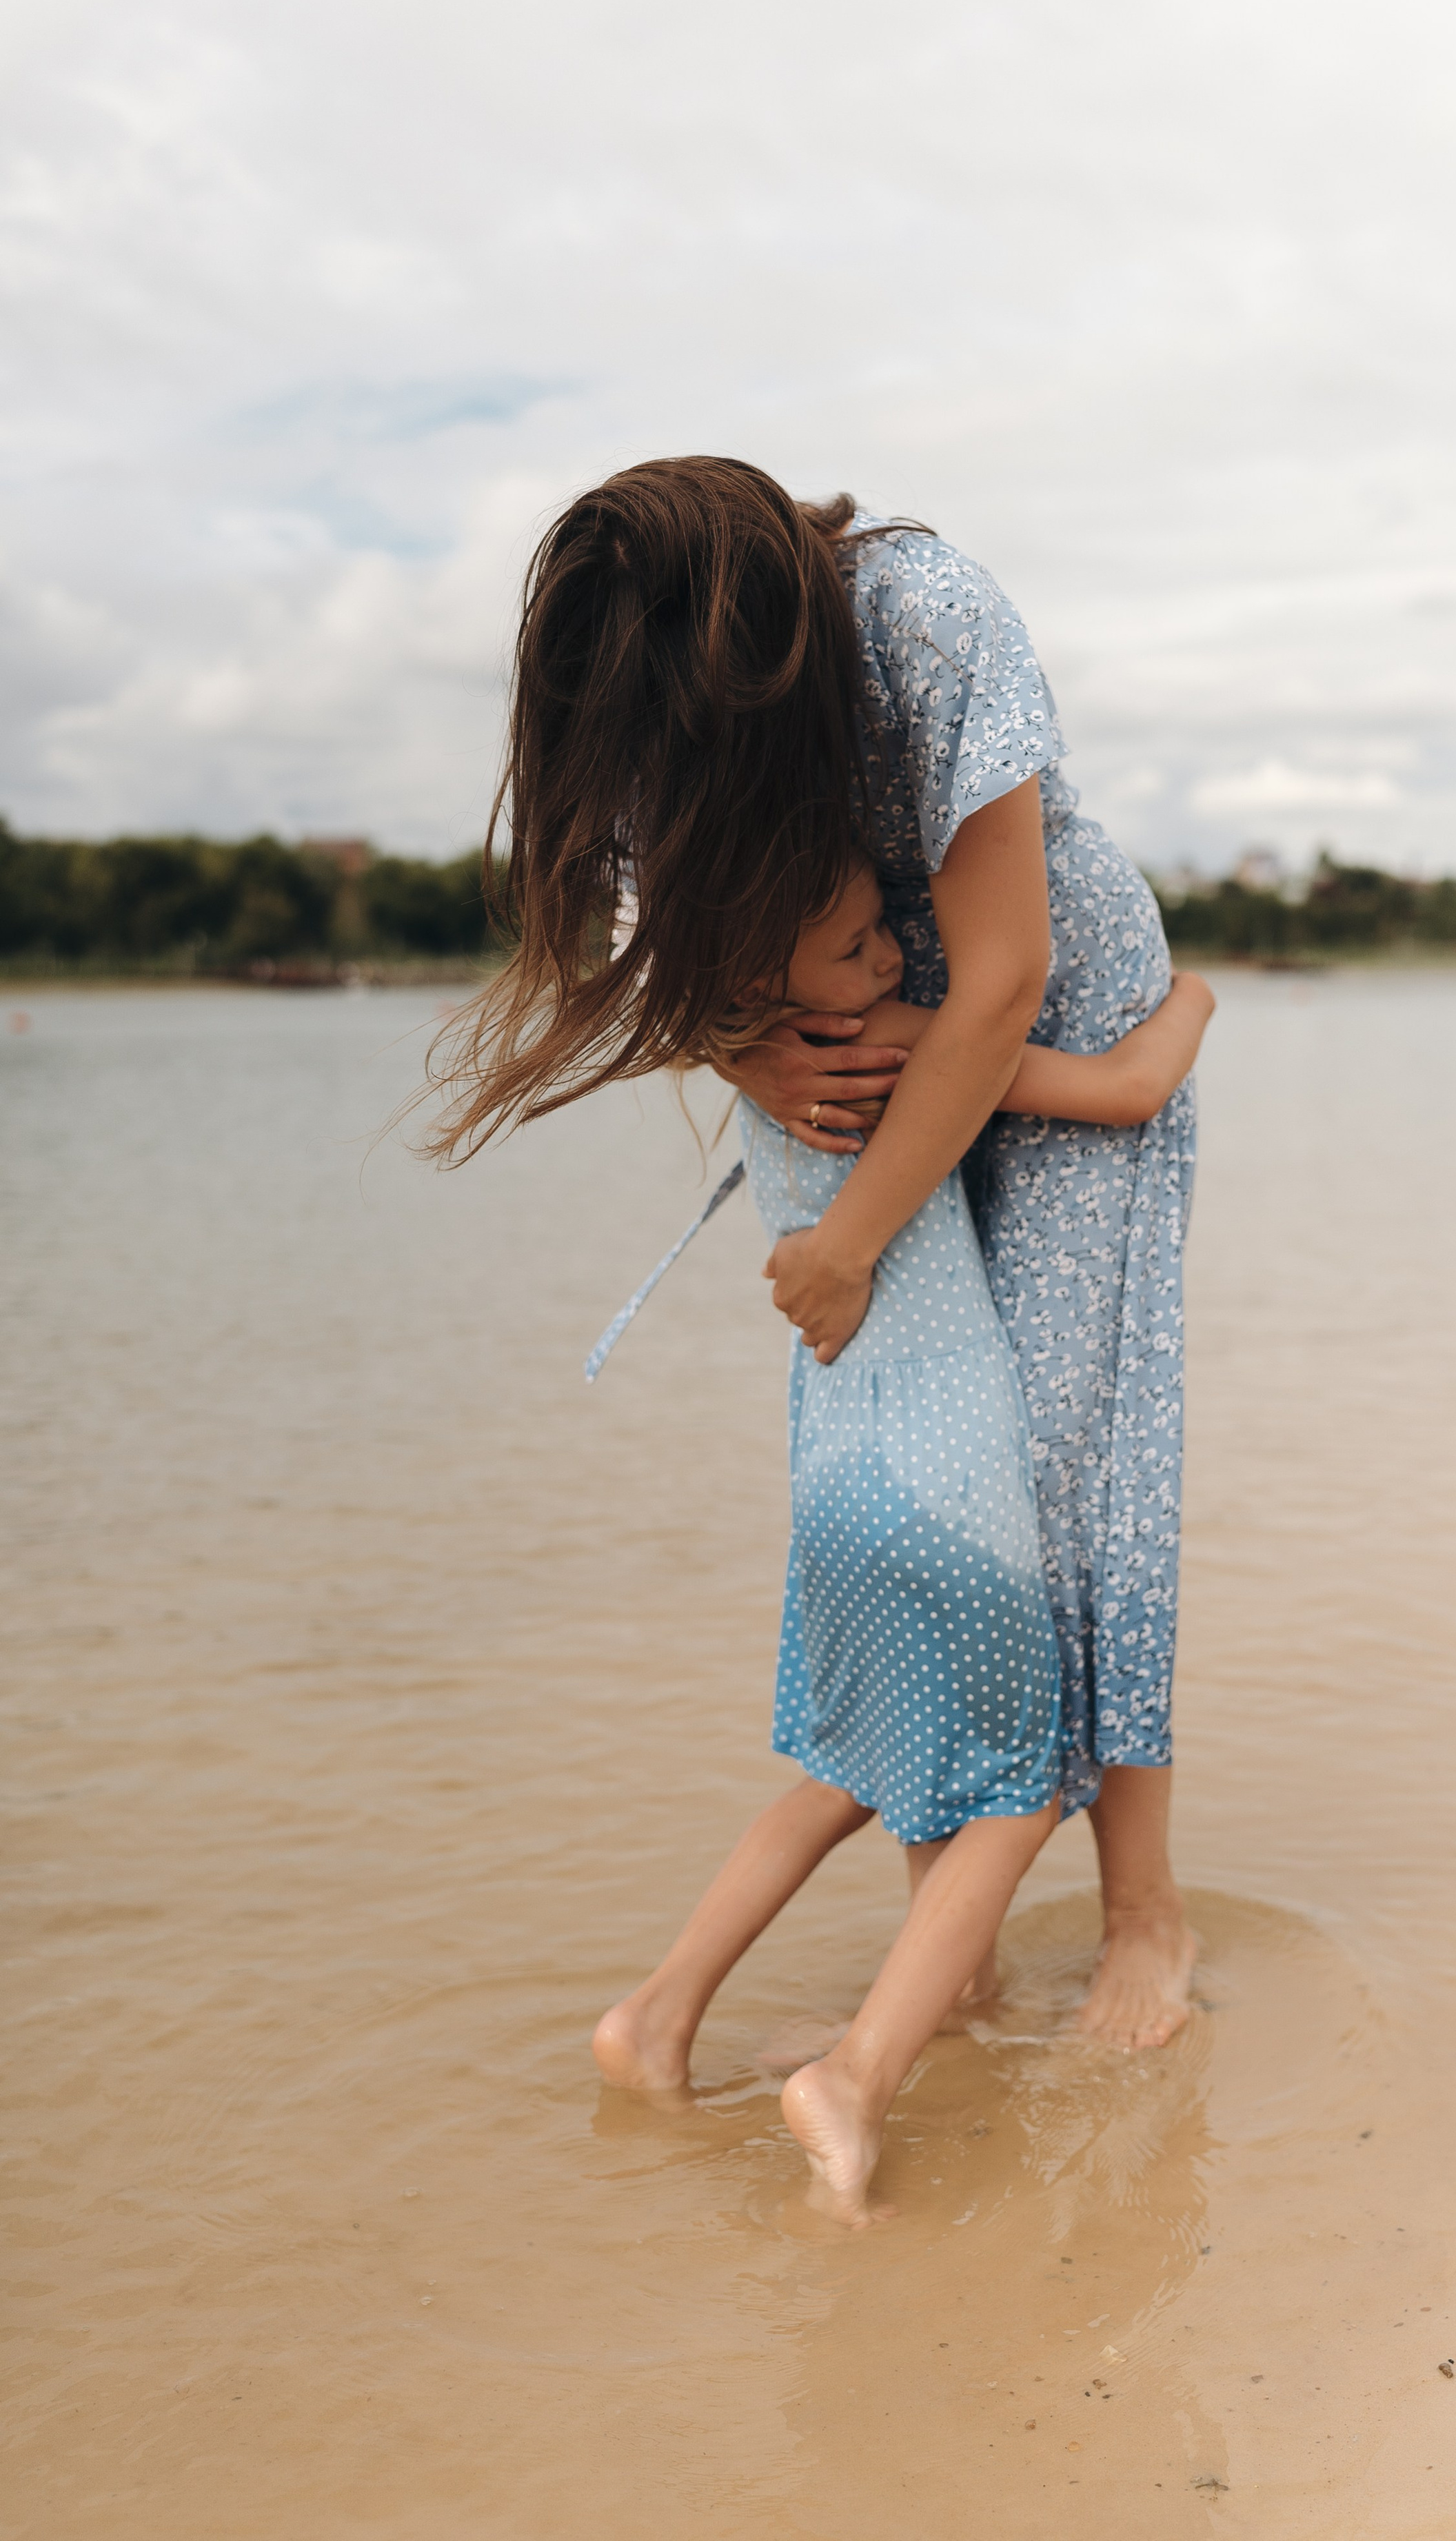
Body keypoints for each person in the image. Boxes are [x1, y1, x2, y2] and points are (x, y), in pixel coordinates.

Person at [427, 455, 1205, 2054]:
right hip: (842, 1043)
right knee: (931, 1496)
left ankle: (1142, 1912)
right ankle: (955, 1940)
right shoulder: (653, 707)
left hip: (1043, 1030)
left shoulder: (920, 617)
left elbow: (994, 983)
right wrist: (747, 1056)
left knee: (1071, 1477)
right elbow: (684, 957)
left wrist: (845, 1243)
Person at [586, 862, 1213, 2220]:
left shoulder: (760, 1070)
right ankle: (860, 2078)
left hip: (835, 1467)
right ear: (774, 988)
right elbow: (1121, 1094)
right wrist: (1194, 999)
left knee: (841, 1766)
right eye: (862, 945)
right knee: (1023, 1786)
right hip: (951, 1486)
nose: (892, 963)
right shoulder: (892, 1049)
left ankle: (654, 2016)